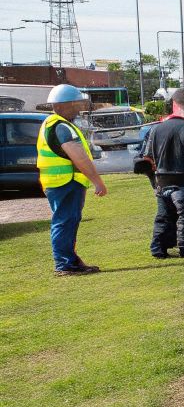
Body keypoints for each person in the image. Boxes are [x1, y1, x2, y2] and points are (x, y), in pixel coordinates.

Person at [36, 83, 107, 275]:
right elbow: (79, 156)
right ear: (65, 104)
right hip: (66, 182)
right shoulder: (62, 127)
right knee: (65, 221)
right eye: (77, 103)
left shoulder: (52, 123)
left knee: (67, 221)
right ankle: (65, 264)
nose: (80, 107)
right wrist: (97, 182)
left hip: (58, 182)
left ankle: (71, 261)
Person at [143, 86, 184, 259]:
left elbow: (148, 157)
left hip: (162, 181)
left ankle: (158, 249)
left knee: (163, 217)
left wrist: (154, 181)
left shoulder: (157, 129)